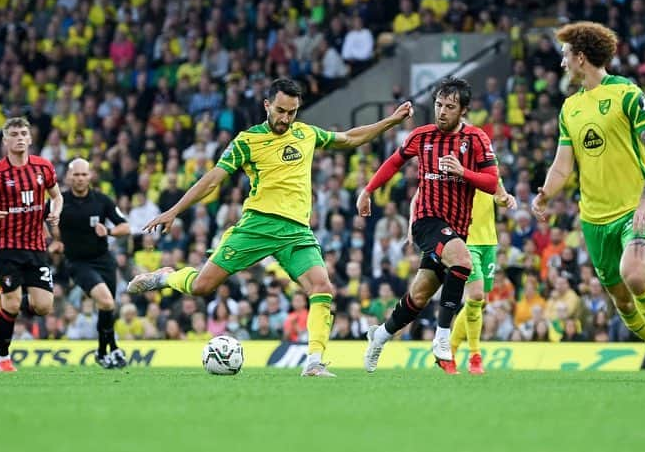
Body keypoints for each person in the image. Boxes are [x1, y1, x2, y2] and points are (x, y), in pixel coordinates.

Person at [128, 78, 412, 377]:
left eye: (292, 112)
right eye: (280, 111)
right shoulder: (247, 141)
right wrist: (174, 211)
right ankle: (166, 278)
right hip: (257, 226)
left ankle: (314, 362)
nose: (285, 118)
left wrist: (391, 121)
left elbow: (350, 138)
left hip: (296, 231)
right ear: (267, 105)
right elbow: (213, 178)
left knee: (322, 287)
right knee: (201, 287)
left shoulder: (306, 133)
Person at [531, 22, 645, 383]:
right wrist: (546, 193)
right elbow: (563, 165)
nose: (562, 63)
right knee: (623, 302)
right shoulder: (570, 108)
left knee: (636, 274)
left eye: (566, 55)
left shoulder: (627, 93)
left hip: (635, 209)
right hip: (594, 220)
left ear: (581, 58)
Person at [359, 78, 500, 375]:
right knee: (462, 262)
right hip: (426, 220)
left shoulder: (476, 140)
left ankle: (380, 336)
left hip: (457, 227)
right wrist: (368, 190)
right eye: (438, 105)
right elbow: (394, 163)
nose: (442, 112)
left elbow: (491, 182)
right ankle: (442, 339)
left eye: (450, 107)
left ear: (463, 110)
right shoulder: (421, 136)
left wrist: (464, 172)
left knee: (419, 297)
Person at [0, 117, 63, 372]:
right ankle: (3, 358)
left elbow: (57, 196)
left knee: (44, 306)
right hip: (8, 247)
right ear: (5, 141)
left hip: (37, 247)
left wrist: (56, 212)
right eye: (14, 134)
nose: (19, 138)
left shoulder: (44, 167)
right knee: (12, 305)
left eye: (23, 133)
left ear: (30, 138)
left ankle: (11, 298)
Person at [52, 158, 131, 368]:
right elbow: (39, 219)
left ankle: (104, 351)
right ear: (69, 176)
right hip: (78, 263)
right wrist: (53, 240)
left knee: (108, 308)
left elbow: (126, 227)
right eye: (75, 175)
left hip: (104, 261)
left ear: (90, 176)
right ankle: (111, 350)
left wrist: (110, 231)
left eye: (83, 174)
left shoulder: (102, 201)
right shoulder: (60, 201)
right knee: (106, 302)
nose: (79, 179)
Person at [449, 181, 515, 374]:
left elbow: (498, 194)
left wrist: (505, 199)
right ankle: (475, 356)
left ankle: (449, 351)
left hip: (489, 242)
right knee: (476, 296)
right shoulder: (458, 167)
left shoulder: (489, 165)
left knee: (481, 302)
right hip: (467, 241)